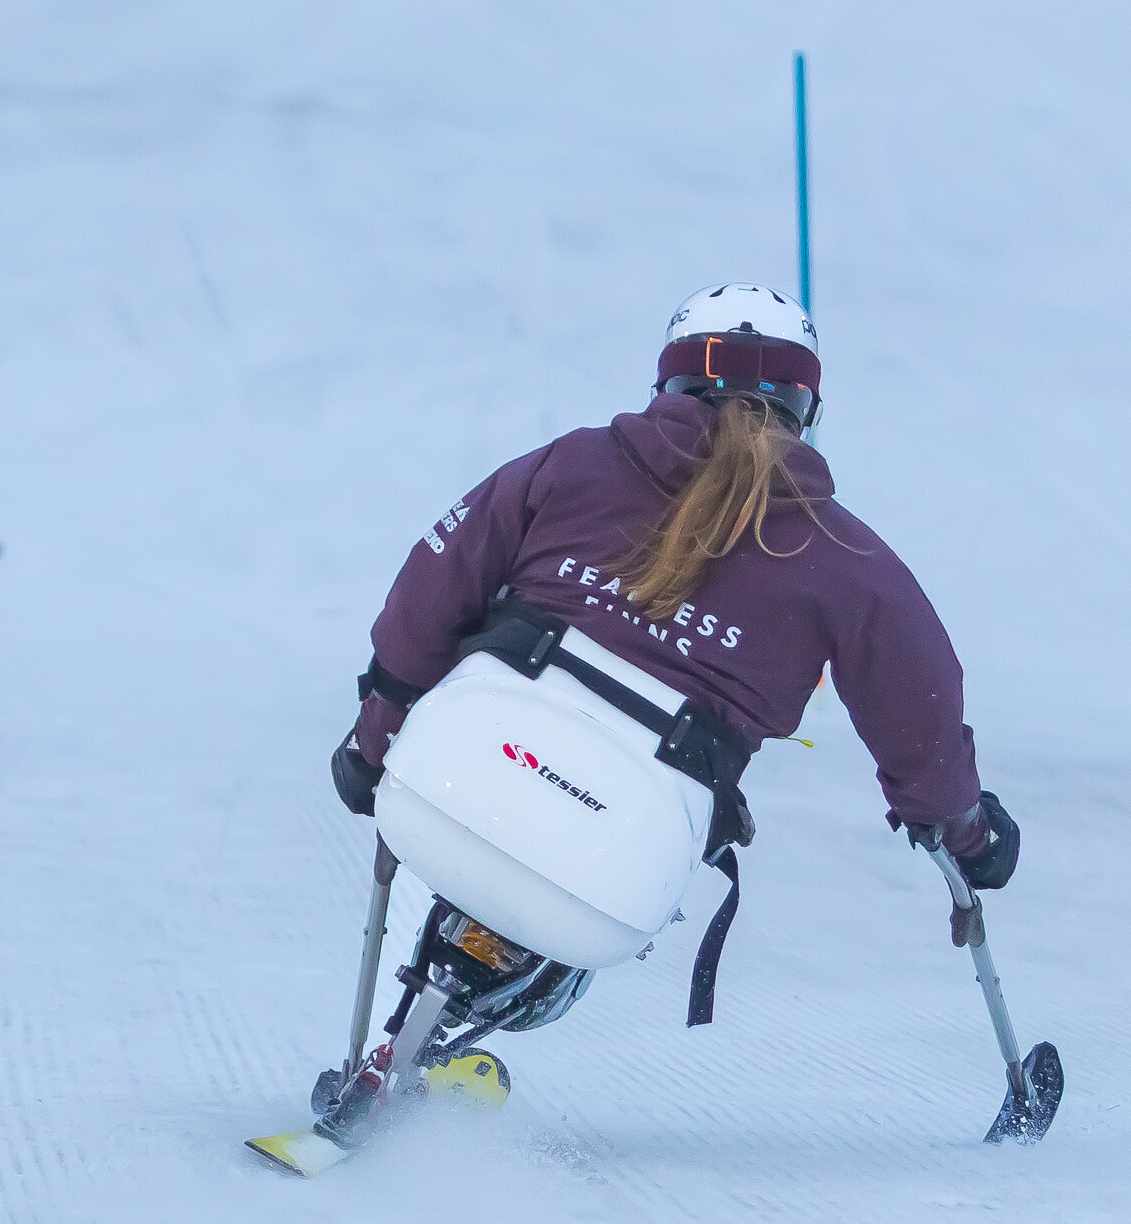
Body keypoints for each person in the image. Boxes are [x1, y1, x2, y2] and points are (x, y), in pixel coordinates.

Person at [328, 281, 1016, 1061]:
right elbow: (920, 710)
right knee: (573, 890)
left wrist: (376, 739)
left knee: (491, 808)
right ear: (804, 408)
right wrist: (967, 831)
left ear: (669, 381)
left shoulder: (573, 462)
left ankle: (410, 1045)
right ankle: (444, 1038)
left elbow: (432, 587)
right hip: (622, 852)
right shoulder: (848, 560)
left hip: (449, 778)